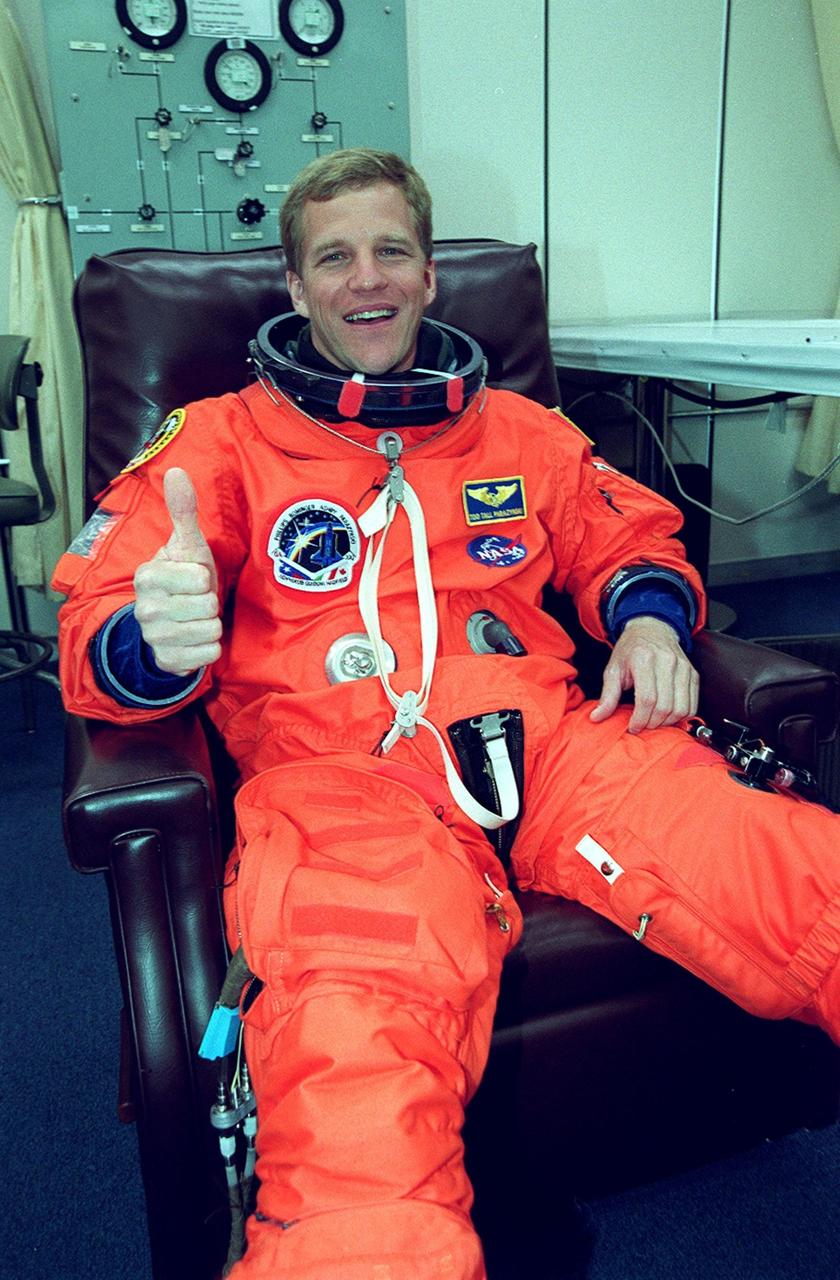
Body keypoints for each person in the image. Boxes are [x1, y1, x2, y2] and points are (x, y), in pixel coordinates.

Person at [53, 149, 840, 1280]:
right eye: (334, 256)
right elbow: (102, 616)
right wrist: (150, 637)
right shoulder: (215, 442)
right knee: (354, 1068)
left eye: (391, 252)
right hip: (343, 784)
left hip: (555, 741)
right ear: (293, 283)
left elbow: (628, 536)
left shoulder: (519, 432)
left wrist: (652, 623)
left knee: (800, 874)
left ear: (428, 278)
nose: (365, 277)